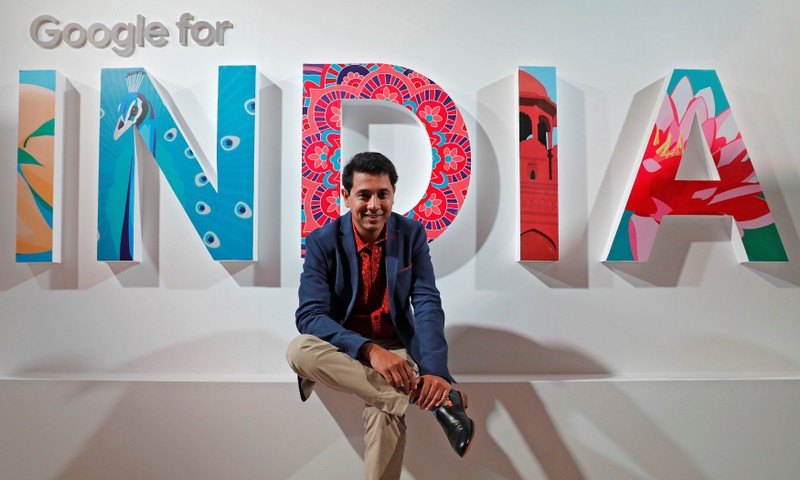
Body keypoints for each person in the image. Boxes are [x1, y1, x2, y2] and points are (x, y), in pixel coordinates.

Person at [286, 152, 474, 479]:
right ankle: (440, 404)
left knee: (383, 411)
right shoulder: (322, 241)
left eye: (382, 194)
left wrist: (436, 372)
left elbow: (427, 301)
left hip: (397, 344)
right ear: (346, 196)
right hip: (346, 348)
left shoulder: (412, 234)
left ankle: (407, 394)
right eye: (364, 195)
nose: (374, 205)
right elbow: (310, 315)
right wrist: (370, 352)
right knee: (298, 350)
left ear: (393, 194)